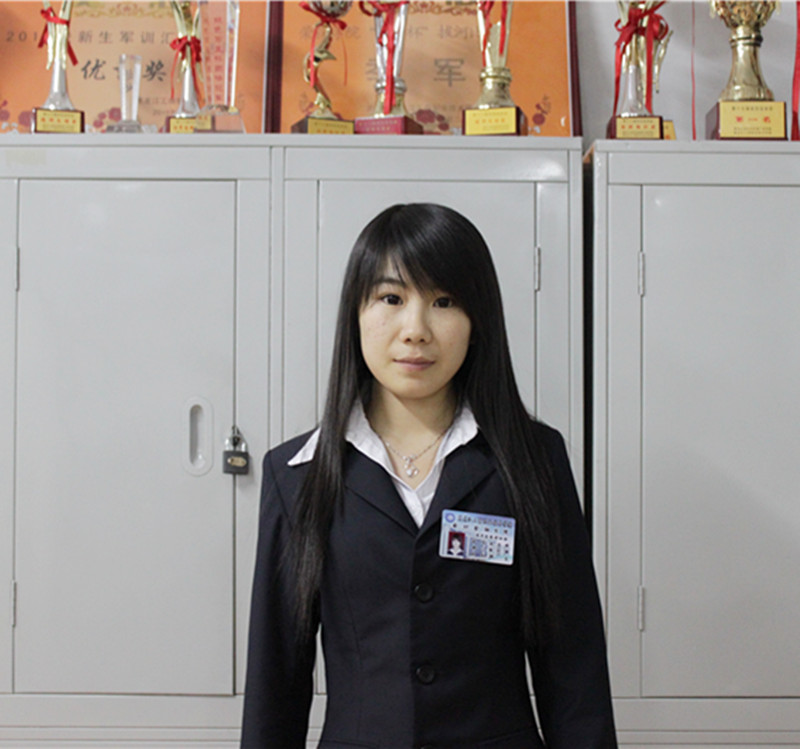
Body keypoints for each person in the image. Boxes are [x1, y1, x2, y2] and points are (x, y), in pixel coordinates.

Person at [241, 203, 617, 748]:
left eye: (444, 302)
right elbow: (275, 680)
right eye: (391, 299)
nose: (415, 330)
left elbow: (574, 664)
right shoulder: (296, 475)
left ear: (477, 321)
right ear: (356, 313)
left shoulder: (533, 460)